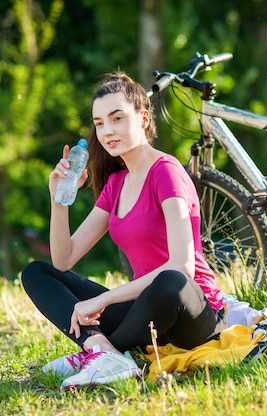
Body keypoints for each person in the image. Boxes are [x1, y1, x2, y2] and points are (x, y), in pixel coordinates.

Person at [21, 72, 227, 389]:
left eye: (117, 118)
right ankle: (104, 351)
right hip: (145, 312)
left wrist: (103, 301)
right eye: (99, 123)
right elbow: (64, 260)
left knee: (169, 280)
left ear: (143, 118)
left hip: (191, 312)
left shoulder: (166, 172)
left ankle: (105, 351)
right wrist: (58, 200)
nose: (107, 131)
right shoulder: (116, 184)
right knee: (37, 273)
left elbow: (182, 268)